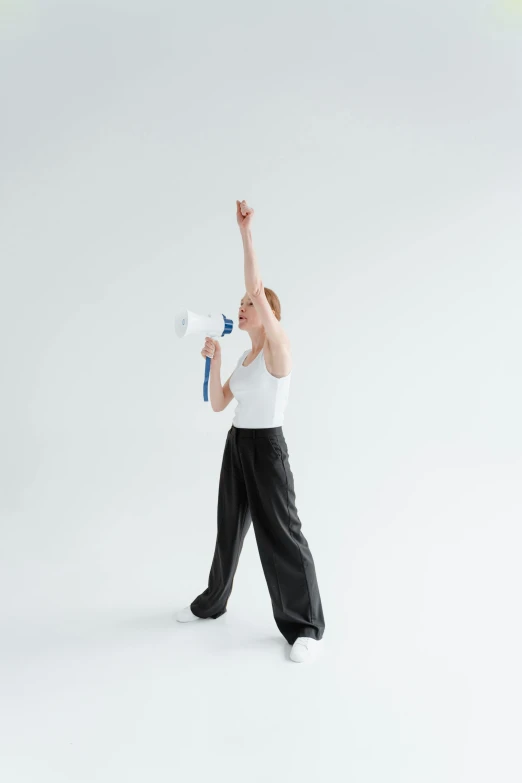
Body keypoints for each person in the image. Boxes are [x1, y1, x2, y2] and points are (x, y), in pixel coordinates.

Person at [176, 200, 325, 663]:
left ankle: (305, 629)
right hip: (238, 445)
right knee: (228, 528)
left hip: (267, 449)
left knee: (281, 534)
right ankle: (213, 602)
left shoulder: (278, 351)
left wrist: (246, 234)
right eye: (241, 304)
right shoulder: (244, 360)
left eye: (248, 305)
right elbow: (221, 403)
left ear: (266, 313)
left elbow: (256, 285)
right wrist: (215, 362)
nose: (241, 308)